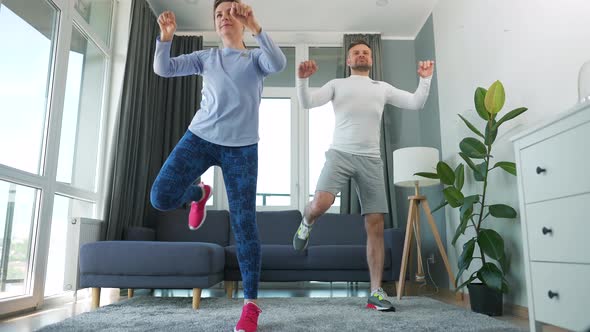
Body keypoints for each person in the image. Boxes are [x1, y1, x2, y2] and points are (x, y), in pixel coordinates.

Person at [150, 1, 286, 331]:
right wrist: (165, 38)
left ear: (241, 21)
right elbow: (163, 69)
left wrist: (256, 26)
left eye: (231, 13)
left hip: (242, 149)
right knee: (161, 197)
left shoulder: (255, 59)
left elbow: (279, 63)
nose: (225, 17)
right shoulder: (206, 58)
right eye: (218, 15)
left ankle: (251, 305)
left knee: (244, 224)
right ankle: (199, 192)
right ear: (215, 25)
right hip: (200, 137)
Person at [293, 40, 434, 312]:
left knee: (376, 223)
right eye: (355, 52)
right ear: (348, 61)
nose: (361, 55)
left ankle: (375, 292)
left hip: (370, 159)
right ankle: (306, 221)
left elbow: (416, 103)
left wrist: (425, 81)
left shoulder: (381, 88)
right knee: (321, 203)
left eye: (365, 52)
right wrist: (301, 80)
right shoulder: (337, 84)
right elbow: (307, 102)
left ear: (371, 60)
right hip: (340, 154)